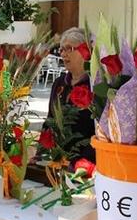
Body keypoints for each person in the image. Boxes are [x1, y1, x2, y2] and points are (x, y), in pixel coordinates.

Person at [35, 26, 95, 165]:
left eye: (69, 48)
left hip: (84, 162)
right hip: (57, 159)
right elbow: (50, 120)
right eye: (61, 49)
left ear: (85, 51)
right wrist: (41, 154)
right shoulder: (59, 83)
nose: (63, 54)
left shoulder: (95, 85)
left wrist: (80, 162)